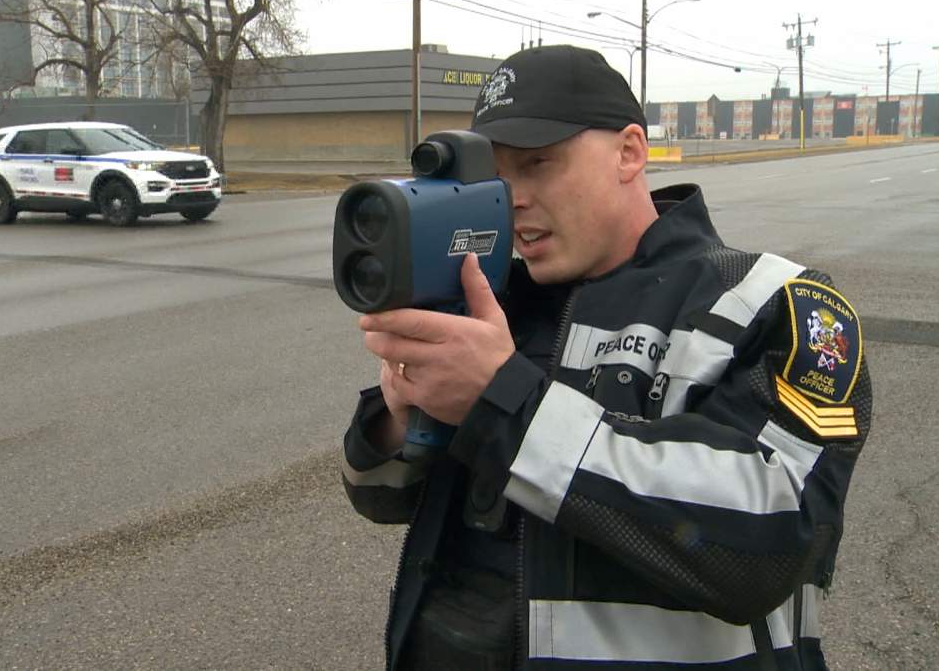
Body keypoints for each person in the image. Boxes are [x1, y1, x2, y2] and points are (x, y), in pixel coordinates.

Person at [341, 44, 872, 670]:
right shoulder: (495, 301)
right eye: (496, 177)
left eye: (539, 163)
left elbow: (770, 542)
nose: (512, 198)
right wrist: (399, 421)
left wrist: (504, 405)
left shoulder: (774, 303)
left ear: (629, 152)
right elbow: (380, 498)